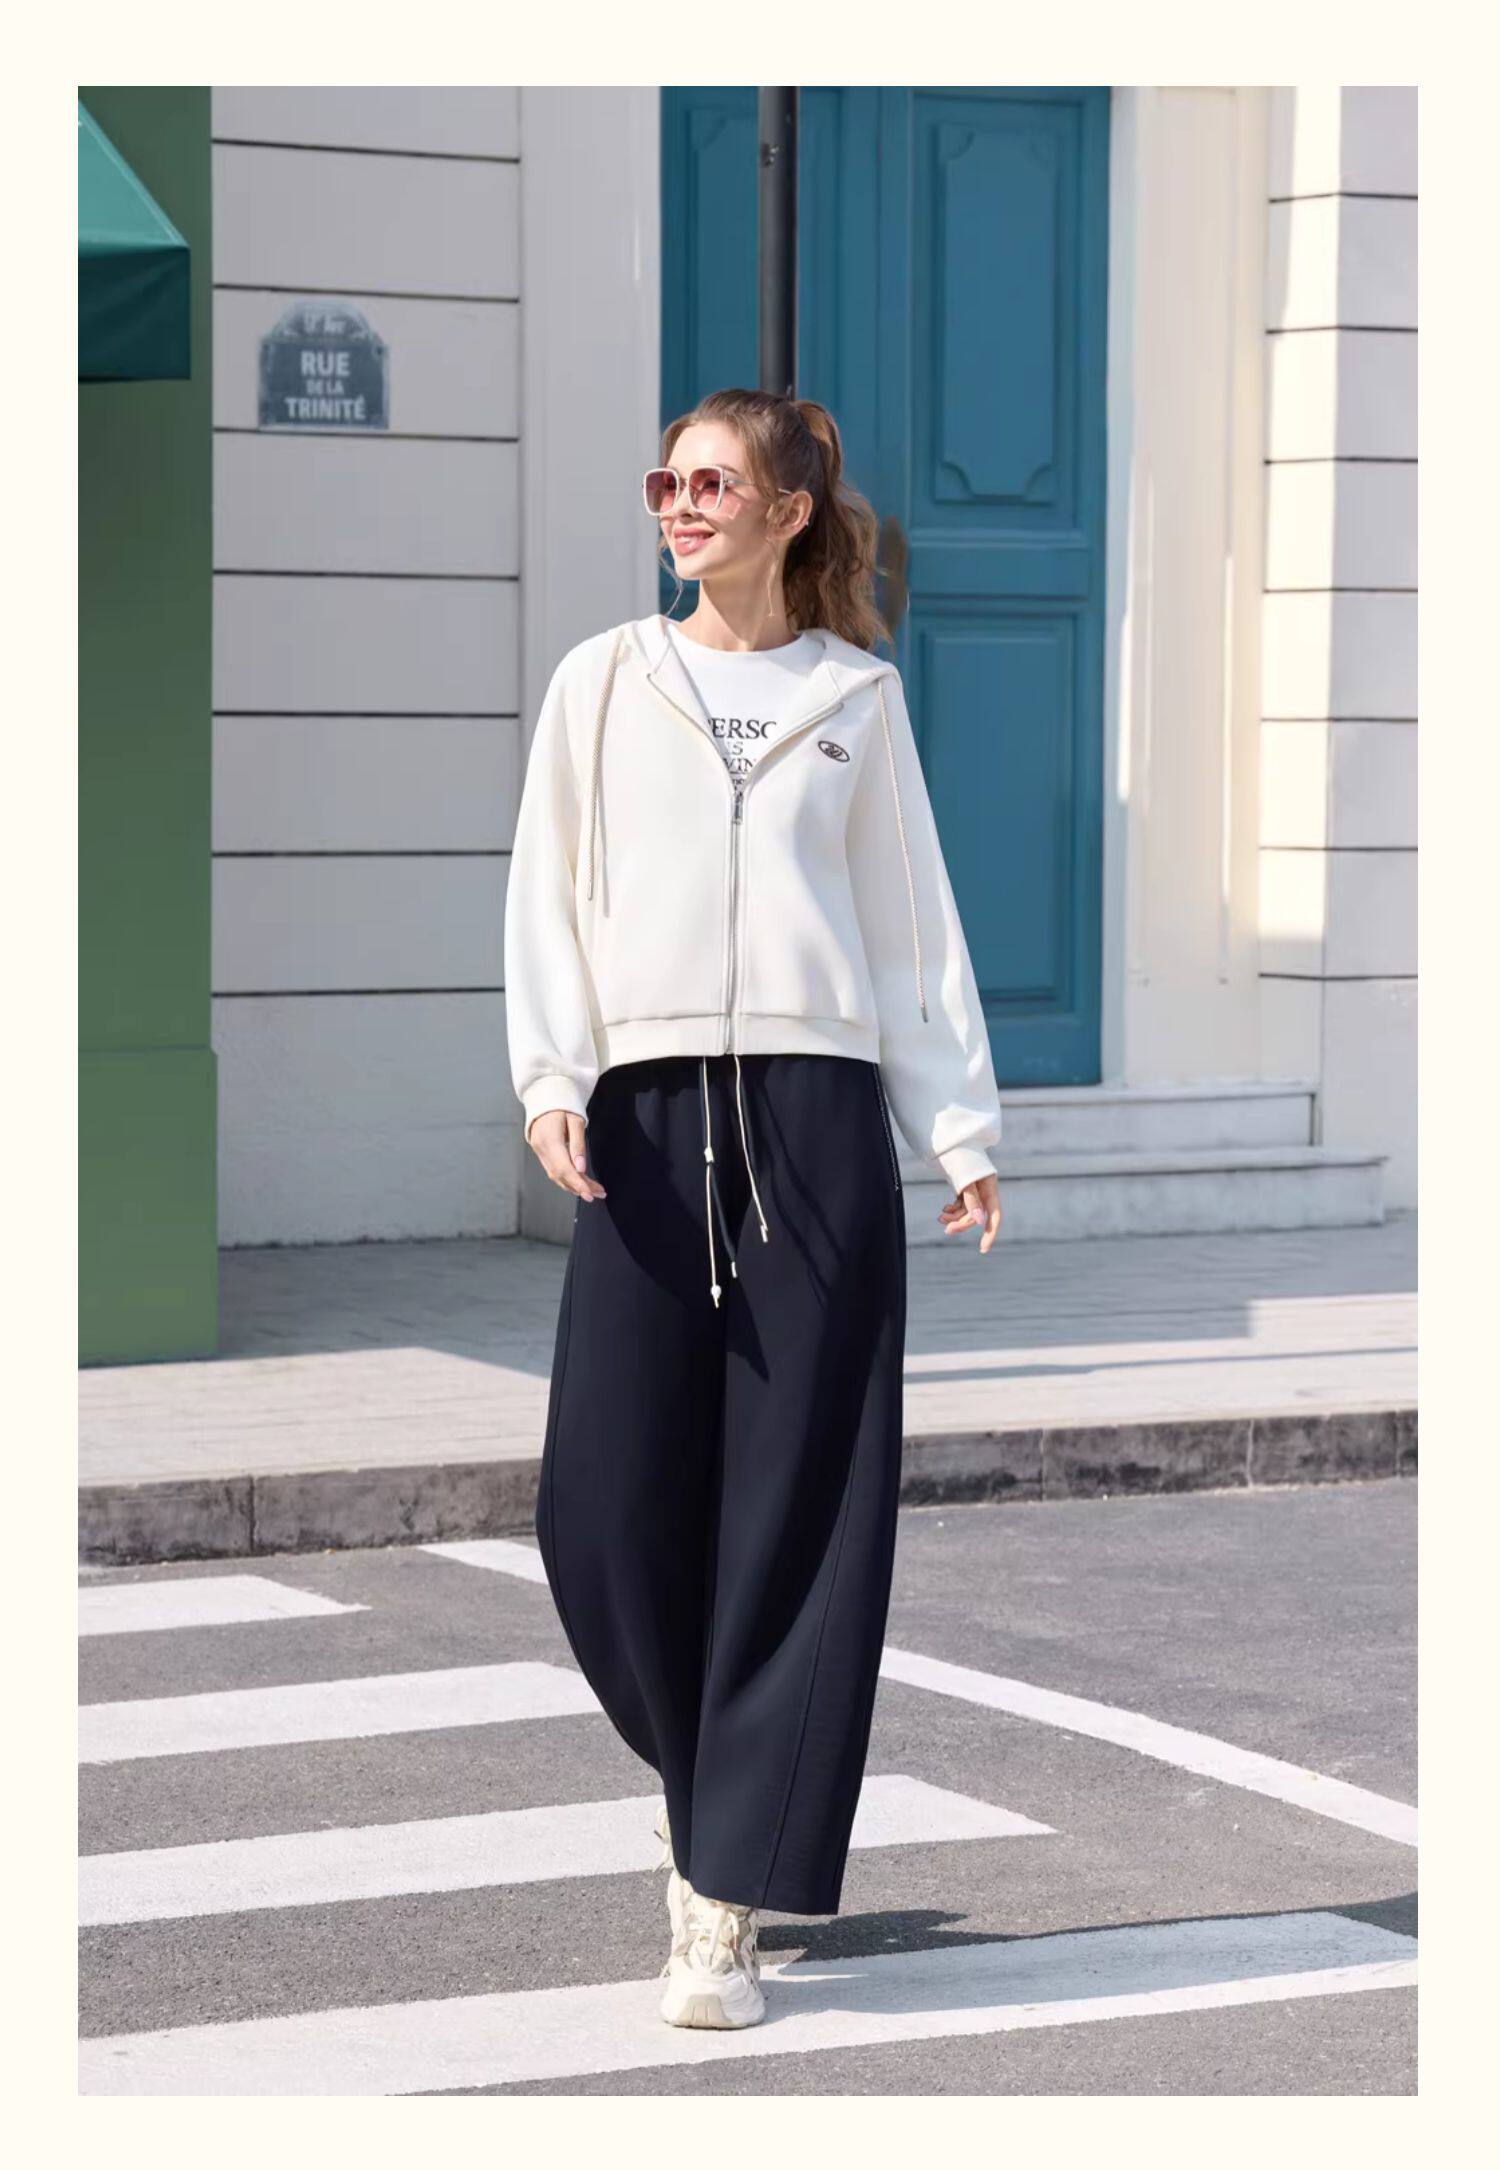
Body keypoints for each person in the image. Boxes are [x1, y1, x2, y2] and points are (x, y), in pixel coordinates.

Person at [504, 386, 1003, 2031]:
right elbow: (547, 890)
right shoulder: (603, 681)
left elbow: (911, 922)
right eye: (668, 479)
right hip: (646, 1123)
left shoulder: (857, 696)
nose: (680, 503)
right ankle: (709, 1780)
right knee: (598, 1503)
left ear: (789, 513)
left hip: (815, 1124)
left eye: (713, 482)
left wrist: (958, 1124)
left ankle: (717, 1893)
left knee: (800, 1503)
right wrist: (552, 1075)